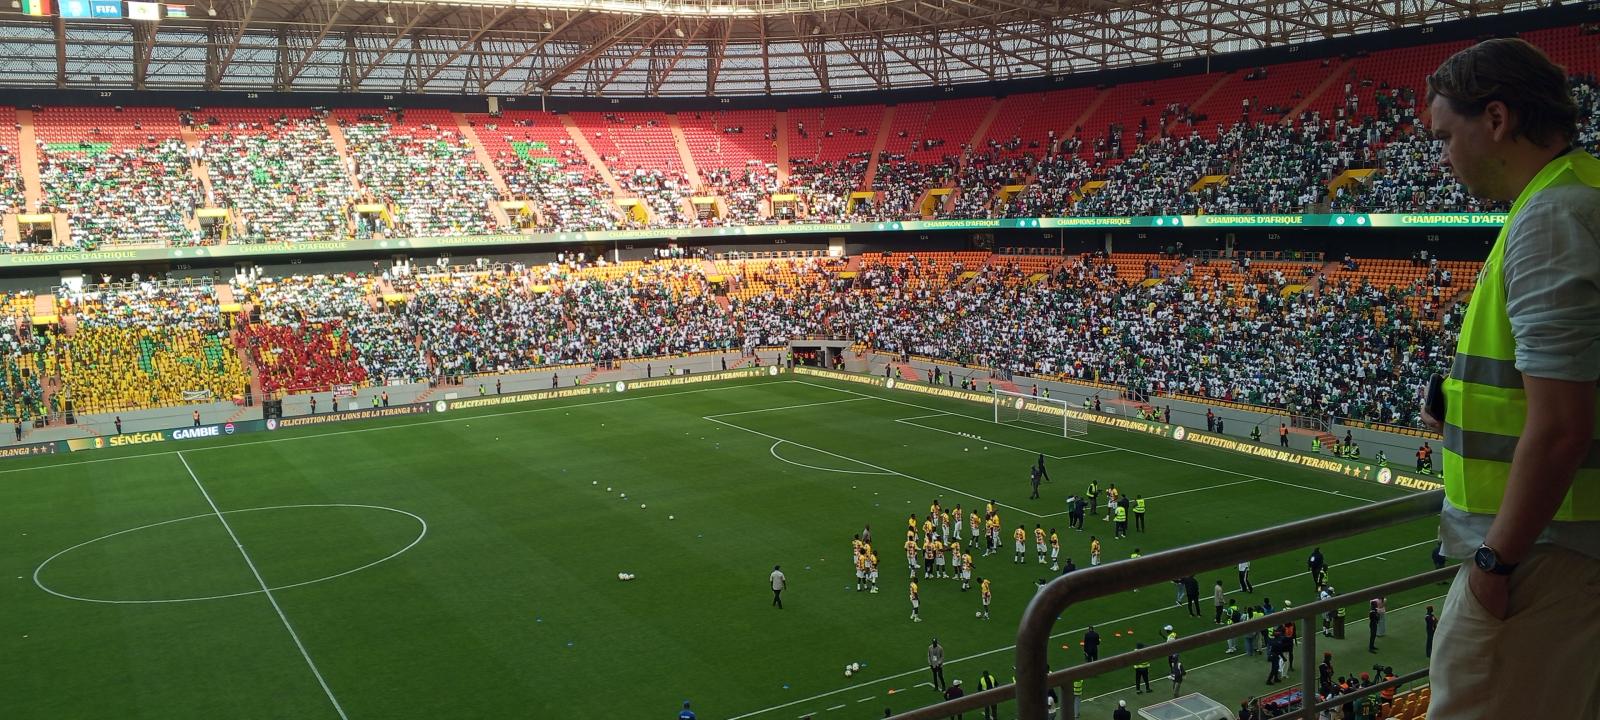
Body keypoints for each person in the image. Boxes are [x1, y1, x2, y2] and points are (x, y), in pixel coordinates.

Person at [1422, 39, 1600, 720]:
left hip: (1542, 557)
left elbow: (1560, 428)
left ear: (1495, 118)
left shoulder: (1553, 217)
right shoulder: (1576, 193)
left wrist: (1497, 563)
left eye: (1447, 135)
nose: (1443, 155)